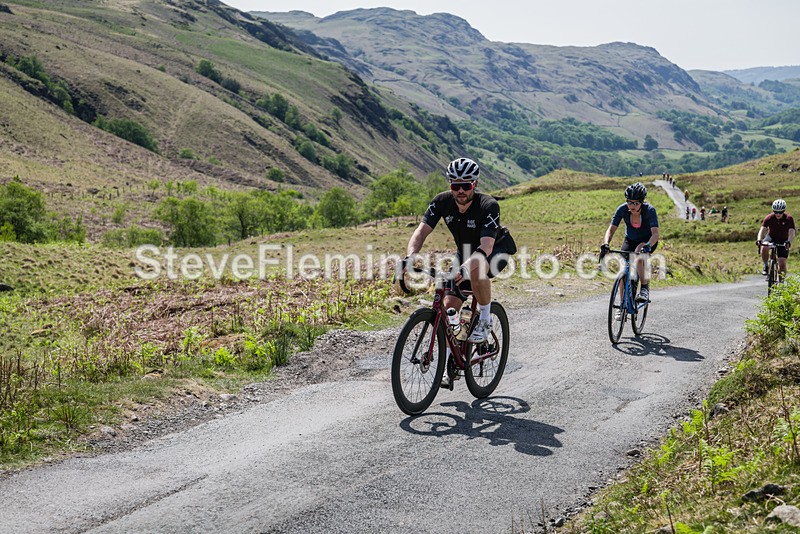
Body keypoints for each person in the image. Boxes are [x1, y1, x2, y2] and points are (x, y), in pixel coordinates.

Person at [403, 157, 514, 347]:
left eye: (466, 185)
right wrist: (409, 257)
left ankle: (485, 319)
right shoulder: (441, 201)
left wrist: (464, 269)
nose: (461, 190)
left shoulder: (488, 205)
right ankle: (450, 360)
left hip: (495, 250)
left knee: (476, 270)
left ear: (475, 184)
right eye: (456, 186)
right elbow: (421, 232)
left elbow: (486, 247)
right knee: (448, 310)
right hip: (465, 253)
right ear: (450, 185)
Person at [600, 182, 660, 315]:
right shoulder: (622, 209)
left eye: (636, 203)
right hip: (630, 240)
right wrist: (606, 244)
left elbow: (655, 234)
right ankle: (623, 305)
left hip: (648, 241)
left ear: (642, 202)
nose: (632, 206)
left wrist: (648, 246)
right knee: (623, 270)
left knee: (638, 256)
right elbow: (611, 230)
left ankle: (644, 288)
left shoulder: (649, 210)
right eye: (629, 202)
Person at [756, 199, 795, 277]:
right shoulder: (769, 217)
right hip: (771, 237)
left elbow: (792, 232)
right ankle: (766, 265)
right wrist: (759, 239)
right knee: (764, 246)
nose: (778, 214)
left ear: (784, 211)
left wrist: (788, 241)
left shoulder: (788, 218)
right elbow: (762, 229)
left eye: (780, 212)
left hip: (783, 240)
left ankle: (781, 282)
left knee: (782, 263)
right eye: (776, 212)